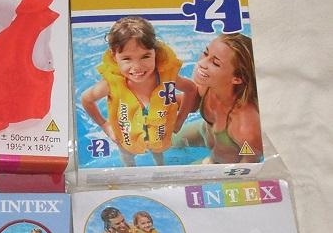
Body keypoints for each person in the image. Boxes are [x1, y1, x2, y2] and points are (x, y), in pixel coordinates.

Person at [81, 16, 197, 166]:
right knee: (127, 155)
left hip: (158, 134)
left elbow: (191, 89)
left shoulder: (167, 78)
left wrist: (180, 119)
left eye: (145, 56)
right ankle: (130, 169)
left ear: (155, 53)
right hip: (126, 137)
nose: (137, 67)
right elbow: (86, 99)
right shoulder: (111, 84)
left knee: (158, 151)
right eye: (127, 59)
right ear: (114, 56)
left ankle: (160, 166)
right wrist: (105, 125)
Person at [174, 33, 263, 164]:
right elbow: (191, 103)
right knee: (155, 140)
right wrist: (155, 101)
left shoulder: (246, 127)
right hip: (203, 132)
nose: (201, 63)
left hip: (220, 161)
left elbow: (250, 162)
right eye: (206, 53)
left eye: (215, 63)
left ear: (237, 79)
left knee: (179, 173)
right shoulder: (208, 84)